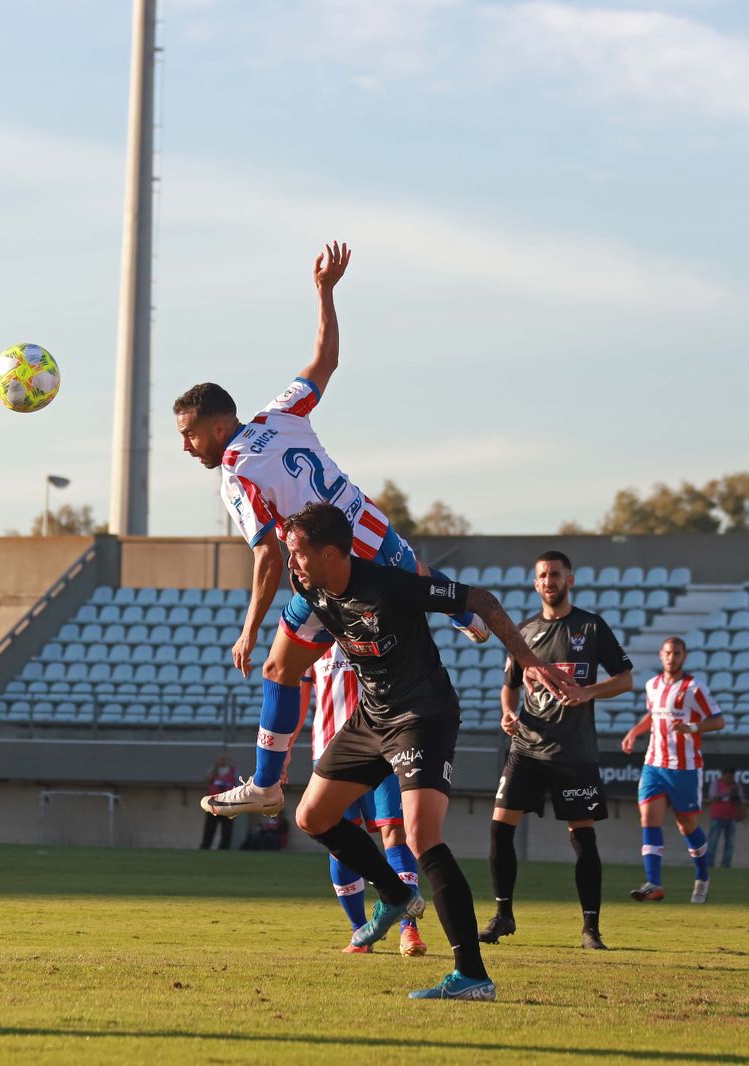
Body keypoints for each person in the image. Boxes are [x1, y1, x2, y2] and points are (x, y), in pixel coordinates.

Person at [175, 242, 491, 821]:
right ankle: (466, 615)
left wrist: (249, 629)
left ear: (219, 427)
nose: (186, 446)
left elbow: (269, 556)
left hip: (334, 570)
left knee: (277, 668)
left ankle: (268, 785)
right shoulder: (281, 413)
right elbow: (325, 360)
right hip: (371, 528)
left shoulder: (235, 470)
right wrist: (324, 293)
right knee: (417, 578)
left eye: (190, 435)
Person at [284, 503, 581, 1001]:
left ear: (333, 553)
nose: (291, 564)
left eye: (298, 554)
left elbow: (479, 599)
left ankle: (472, 974)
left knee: (422, 837)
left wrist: (526, 660)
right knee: (312, 816)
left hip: (423, 715)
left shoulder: (390, 585)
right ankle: (397, 894)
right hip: (370, 716)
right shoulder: (307, 586)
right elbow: (287, 652)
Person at [482, 550, 634, 951]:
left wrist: (588, 691)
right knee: (499, 828)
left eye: (556, 575)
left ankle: (590, 928)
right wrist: (507, 712)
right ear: (535, 584)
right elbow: (510, 683)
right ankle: (503, 915)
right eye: (542, 575)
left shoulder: (591, 627)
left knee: (582, 837)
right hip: (527, 747)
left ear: (570, 580)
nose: (549, 581)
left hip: (574, 752)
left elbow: (625, 679)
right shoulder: (524, 633)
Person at [305, 645, 425, 957]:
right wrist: (286, 751)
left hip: (381, 748)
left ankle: (408, 929)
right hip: (329, 755)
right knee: (338, 842)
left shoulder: (369, 620)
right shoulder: (308, 636)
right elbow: (298, 691)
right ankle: (361, 932)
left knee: (395, 833)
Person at [621, 636, 725, 904]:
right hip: (654, 764)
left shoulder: (694, 688)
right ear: (661, 655)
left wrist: (691, 728)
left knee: (687, 826)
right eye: (668, 653)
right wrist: (635, 731)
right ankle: (653, 883)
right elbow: (653, 715)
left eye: (677, 653)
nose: (672, 657)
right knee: (648, 819)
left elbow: (718, 721)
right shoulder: (652, 685)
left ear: (684, 656)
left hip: (685, 767)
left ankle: (702, 876)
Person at [706, 767, 746, 869]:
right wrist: (726, 793)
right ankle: (709, 863)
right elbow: (712, 797)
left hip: (731, 817)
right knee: (713, 842)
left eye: (732, 776)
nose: (730, 778)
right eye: (728, 776)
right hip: (717, 817)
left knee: (730, 843)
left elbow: (741, 800)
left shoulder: (736, 786)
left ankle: (726, 864)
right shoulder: (716, 783)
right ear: (723, 775)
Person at [201, 754, 238, 850]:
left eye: (225, 759)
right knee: (210, 827)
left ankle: (224, 848)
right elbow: (207, 779)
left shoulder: (233, 771)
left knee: (227, 829)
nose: (223, 761)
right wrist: (216, 769)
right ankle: (205, 847)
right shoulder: (214, 770)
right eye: (221, 759)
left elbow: (238, 784)